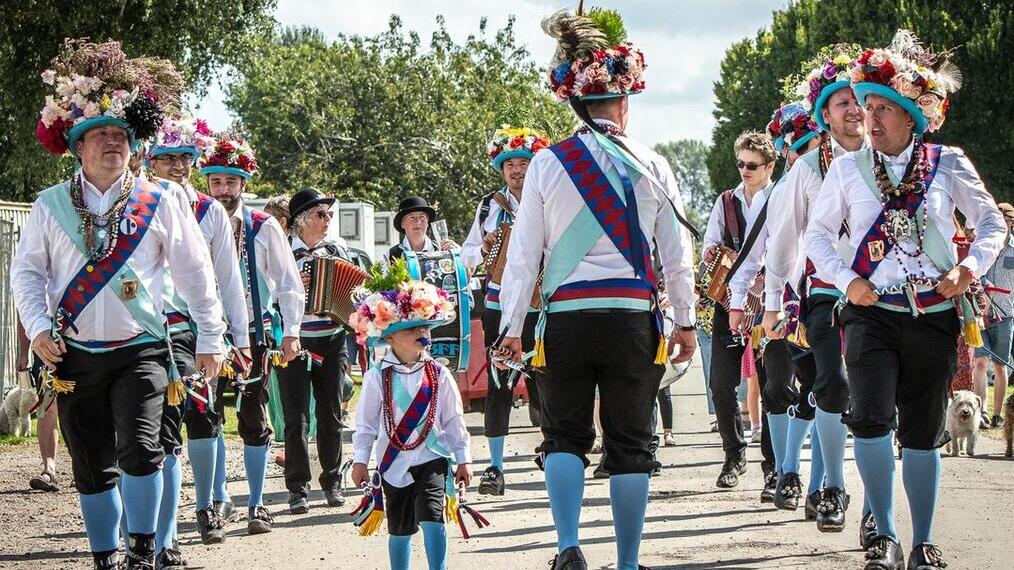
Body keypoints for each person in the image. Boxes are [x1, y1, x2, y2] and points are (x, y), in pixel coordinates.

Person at [12, 39, 226, 569]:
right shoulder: (49, 205)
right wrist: (39, 328)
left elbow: (194, 270)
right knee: (90, 461)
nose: (112, 142)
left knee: (142, 448)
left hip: (143, 349)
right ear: (77, 146)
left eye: (120, 134)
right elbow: (27, 271)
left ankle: (143, 549)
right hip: (72, 354)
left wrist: (214, 336)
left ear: (133, 146)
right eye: (99, 134)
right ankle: (106, 555)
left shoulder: (163, 198)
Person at [496, 7, 697, 569]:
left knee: (564, 436)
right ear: (625, 101)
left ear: (572, 100)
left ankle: (568, 549)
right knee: (631, 443)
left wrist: (512, 328)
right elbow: (676, 258)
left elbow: (522, 260)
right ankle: (628, 561)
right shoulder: (654, 164)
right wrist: (685, 320)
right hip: (633, 318)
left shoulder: (545, 164)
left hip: (566, 320)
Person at [806, 30, 1004, 569]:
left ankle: (923, 542)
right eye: (866, 106)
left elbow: (991, 224)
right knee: (869, 418)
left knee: (922, 427)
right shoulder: (847, 169)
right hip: (871, 313)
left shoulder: (949, 163)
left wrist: (969, 267)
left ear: (912, 116)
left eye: (883, 108)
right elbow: (817, 237)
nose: (870, 118)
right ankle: (885, 536)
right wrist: (847, 280)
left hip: (934, 314)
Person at [758, 44, 872, 536]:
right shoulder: (805, 170)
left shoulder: (888, 161)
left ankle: (874, 508)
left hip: (881, 291)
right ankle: (831, 487)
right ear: (823, 115)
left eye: (857, 99)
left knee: (874, 400)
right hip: (824, 289)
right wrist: (769, 307)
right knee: (832, 385)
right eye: (839, 101)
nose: (852, 109)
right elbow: (782, 246)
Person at [146, 115, 251, 560]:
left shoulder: (209, 212)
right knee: (158, 432)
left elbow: (228, 280)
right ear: (150, 160)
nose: (177, 166)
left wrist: (239, 338)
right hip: (148, 332)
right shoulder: (134, 206)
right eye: (167, 158)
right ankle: (157, 534)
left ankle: (207, 505)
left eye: (184, 158)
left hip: (197, 333)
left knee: (205, 419)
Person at [200, 133, 305, 536]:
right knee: (205, 415)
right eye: (215, 182)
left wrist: (291, 332)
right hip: (206, 333)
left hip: (254, 335)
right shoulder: (195, 220)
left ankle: (258, 503)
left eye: (230, 182)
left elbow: (289, 282)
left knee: (252, 415)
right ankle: (218, 497)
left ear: (243, 183)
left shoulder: (262, 226)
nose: (223, 190)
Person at [729, 100, 825, 514]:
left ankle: (817, 482)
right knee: (775, 386)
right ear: (788, 149)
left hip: (833, 298)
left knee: (829, 390)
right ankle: (786, 471)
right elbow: (757, 254)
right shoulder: (784, 189)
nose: (805, 154)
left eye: (813, 143)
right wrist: (740, 303)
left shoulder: (847, 176)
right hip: (787, 301)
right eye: (799, 146)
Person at [349, 263, 470, 570]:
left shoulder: (440, 374)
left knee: (432, 518)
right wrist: (361, 460)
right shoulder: (378, 378)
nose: (421, 332)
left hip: (432, 457)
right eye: (411, 328)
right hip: (392, 464)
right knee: (400, 530)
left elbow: (454, 420)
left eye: (424, 327)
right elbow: (365, 424)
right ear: (389, 338)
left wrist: (463, 458)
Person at [460, 125, 549, 496]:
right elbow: (464, 256)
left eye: (524, 163)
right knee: (498, 386)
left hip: (540, 307)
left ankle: (553, 452)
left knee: (547, 380)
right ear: (501, 168)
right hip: (499, 305)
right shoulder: (488, 207)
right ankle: (495, 468)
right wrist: (483, 249)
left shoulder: (547, 198)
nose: (516, 170)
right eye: (510, 163)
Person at [701, 131, 782, 496]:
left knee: (771, 384)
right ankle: (734, 455)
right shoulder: (726, 201)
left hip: (770, 301)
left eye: (752, 165)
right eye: (741, 164)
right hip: (729, 301)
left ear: (769, 166)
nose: (744, 170)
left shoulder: (781, 199)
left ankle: (773, 464)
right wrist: (714, 254)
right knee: (721, 382)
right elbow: (709, 244)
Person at [280, 187, 351, 514]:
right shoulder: (281, 250)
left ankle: (332, 480)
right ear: (301, 220)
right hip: (293, 341)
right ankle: (297, 488)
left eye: (329, 215)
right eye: (321, 214)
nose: (327, 220)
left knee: (331, 413)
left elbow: (354, 291)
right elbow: (265, 292)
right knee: (296, 417)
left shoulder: (337, 250)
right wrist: (293, 283)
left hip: (331, 338)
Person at [973, 202, 1014, 428]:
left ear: (1011, 222)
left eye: (1005, 220)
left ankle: (997, 414)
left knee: (999, 366)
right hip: (980, 314)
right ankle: (981, 412)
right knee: (979, 362)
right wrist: (983, 283)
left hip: (1006, 314)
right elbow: (972, 270)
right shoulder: (984, 245)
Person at [17, 319, 60, 493]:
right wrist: (23, 352)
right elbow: (23, 312)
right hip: (44, 349)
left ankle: (83, 468)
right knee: (47, 407)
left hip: (81, 346)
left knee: (80, 409)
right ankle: (49, 468)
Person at [387, 196, 458, 260]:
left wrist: (457, 254)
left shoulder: (445, 250)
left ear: (428, 222)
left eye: (422, 217)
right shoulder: (391, 255)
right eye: (411, 217)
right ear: (402, 224)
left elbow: (466, 271)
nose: (418, 221)